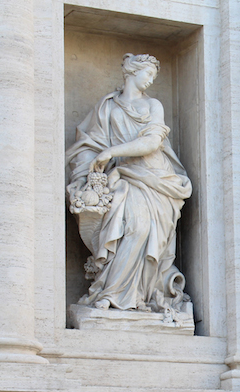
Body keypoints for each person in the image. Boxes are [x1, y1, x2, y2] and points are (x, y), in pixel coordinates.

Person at [66, 53, 192, 313]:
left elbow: (152, 142)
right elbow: (90, 143)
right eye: (148, 74)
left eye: (154, 76)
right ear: (132, 72)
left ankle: (137, 295)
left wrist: (111, 152)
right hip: (122, 176)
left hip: (155, 176)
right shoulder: (107, 107)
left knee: (143, 230)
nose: (151, 80)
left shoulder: (153, 105)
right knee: (130, 228)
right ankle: (111, 293)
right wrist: (93, 167)